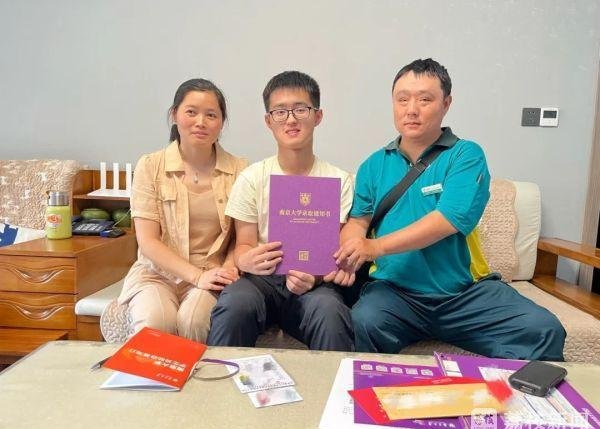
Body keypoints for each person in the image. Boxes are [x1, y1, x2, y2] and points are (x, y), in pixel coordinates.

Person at [329, 58, 566, 360]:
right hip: (394, 292)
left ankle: (507, 390)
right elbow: (358, 221)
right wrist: (350, 251)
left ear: (446, 104)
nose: (411, 109)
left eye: (424, 99)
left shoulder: (466, 155)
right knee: (365, 320)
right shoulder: (373, 165)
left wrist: (374, 247)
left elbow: (447, 219)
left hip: (464, 294)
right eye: (402, 99)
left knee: (544, 329)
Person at [207, 71, 354, 351]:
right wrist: (246, 260)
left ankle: (334, 381)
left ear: (318, 116)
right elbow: (244, 244)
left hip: (313, 283)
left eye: (301, 109)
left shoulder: (340, 180)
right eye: (280, 112)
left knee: (330, 312)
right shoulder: (252, 178)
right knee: (234, 304)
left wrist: (315, 277)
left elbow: (336, 250)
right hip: (261, 281)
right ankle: (219, 377)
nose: (291, 119)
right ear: (268, 121)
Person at [116, 79, 247, 342]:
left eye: (211, 115)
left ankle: (203, 372)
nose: (201, 122)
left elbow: (241, 237)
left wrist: (228, 268)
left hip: (212, 272)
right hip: (156, 274)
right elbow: (148, 241)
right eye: (191, 112)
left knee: (194, 320)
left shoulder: (240, 170)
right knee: (156, 323)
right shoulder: (150, 166)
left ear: (221, 122)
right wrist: (195, 276)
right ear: (174, 115)